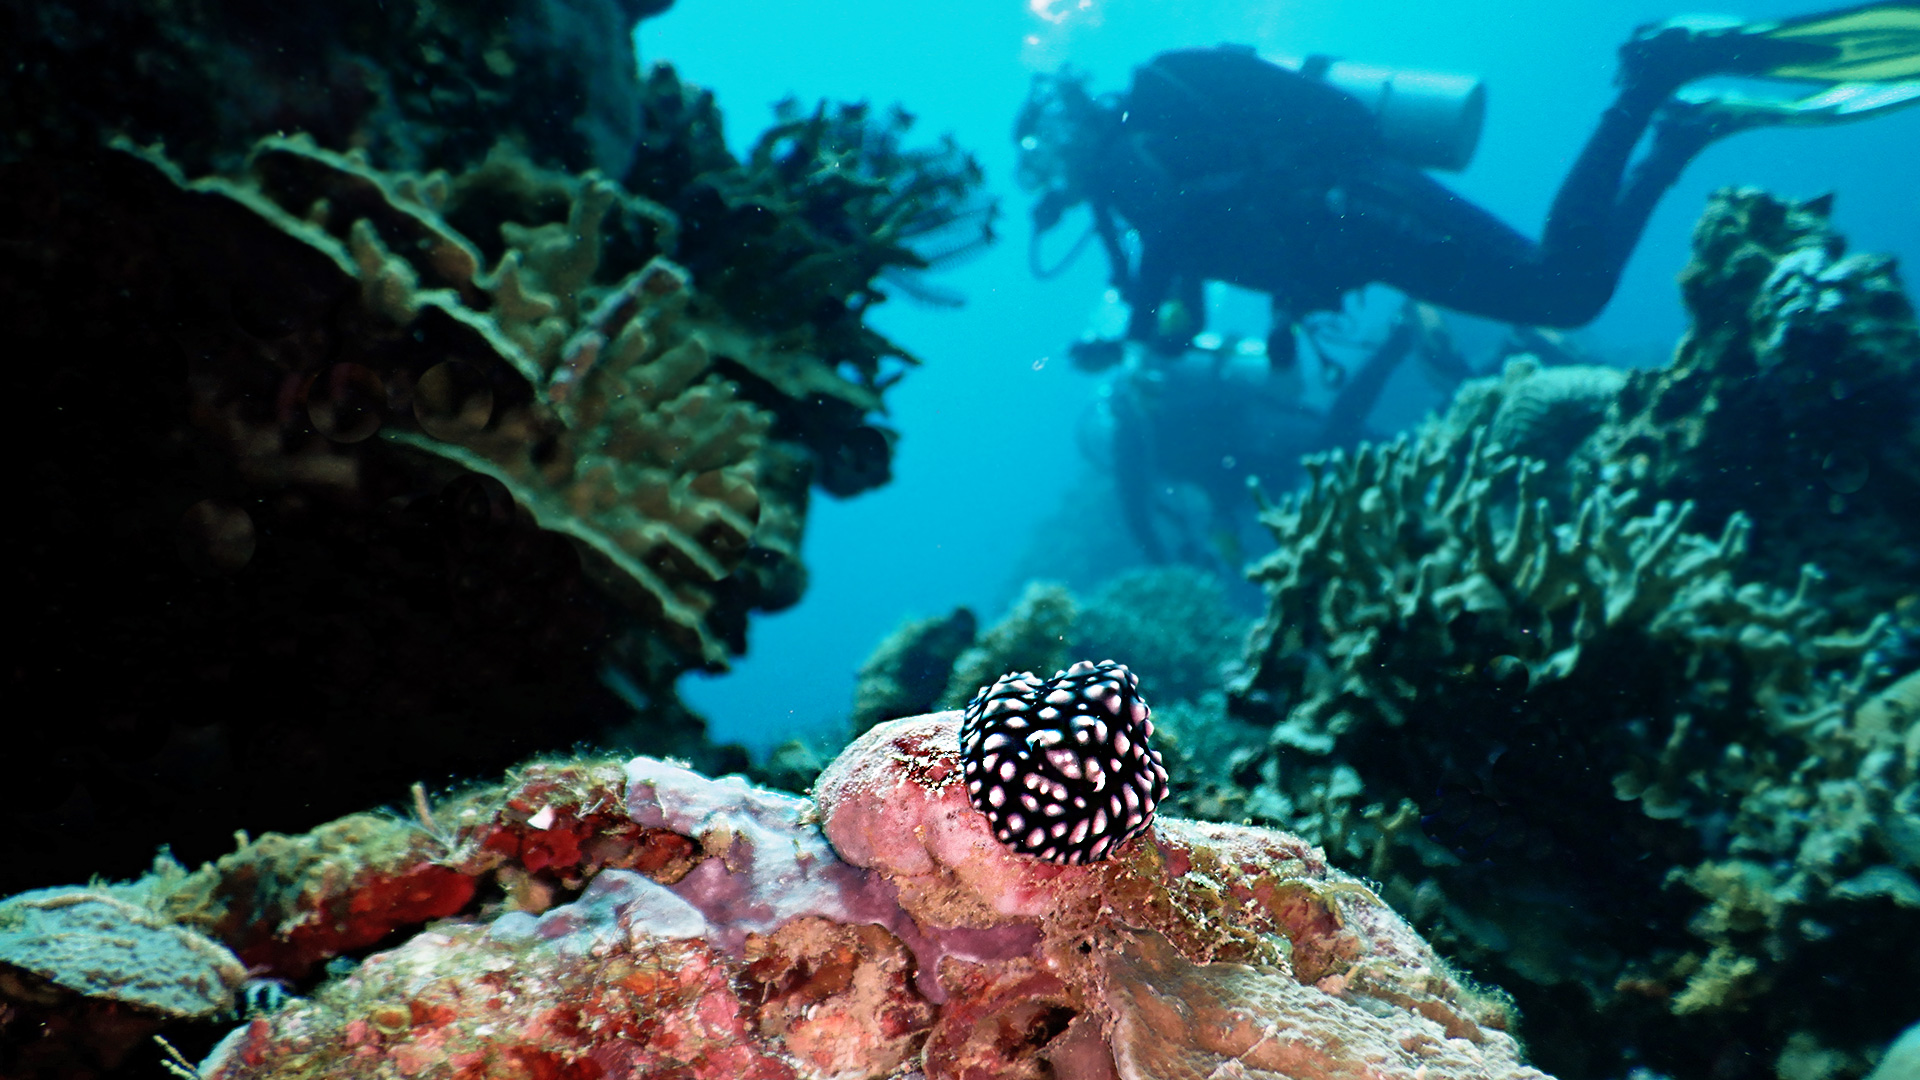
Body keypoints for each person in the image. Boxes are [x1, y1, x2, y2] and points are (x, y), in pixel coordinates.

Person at [1019, 3, 1920, 368]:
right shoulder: (1140, 164)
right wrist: (1192, 326)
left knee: (1561, 290)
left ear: (1063, 128)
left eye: (1038, 155)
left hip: (1364, 210)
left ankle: (1652, 83)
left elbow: (1181, 233)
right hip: (1359, 224)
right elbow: (1204, 259)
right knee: (1566, 292)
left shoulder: (1127, 157)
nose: (1044, 175)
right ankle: (1675, 129)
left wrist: (1131, 328)